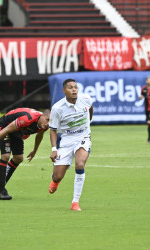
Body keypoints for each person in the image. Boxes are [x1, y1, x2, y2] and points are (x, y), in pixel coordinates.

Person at [0, 108, 50, 200]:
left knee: (18, 158)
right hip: (5, 126)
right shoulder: (27, 118)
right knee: (6, 156)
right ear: (42, 115)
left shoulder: (45, 125)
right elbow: (7, 129)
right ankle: (2, 189)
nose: (48, 123)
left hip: (17, 131)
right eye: (47, 119)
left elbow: (40, 134)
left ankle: (0, 185)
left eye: (50, 121)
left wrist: (34, 150)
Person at [48, 79, 93, 211]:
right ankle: (55, 182)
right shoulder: (57, 108)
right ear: (64, 91)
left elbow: (90, 108)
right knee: (58, 176)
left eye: (75, 87)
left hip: (83, 137)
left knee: (80, 164)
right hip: (66, 141)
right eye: (70, 88)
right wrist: (54, 149)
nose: (74, 90)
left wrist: (89, 122)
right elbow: (53, 130)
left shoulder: (86, 99)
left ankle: (75, 202)